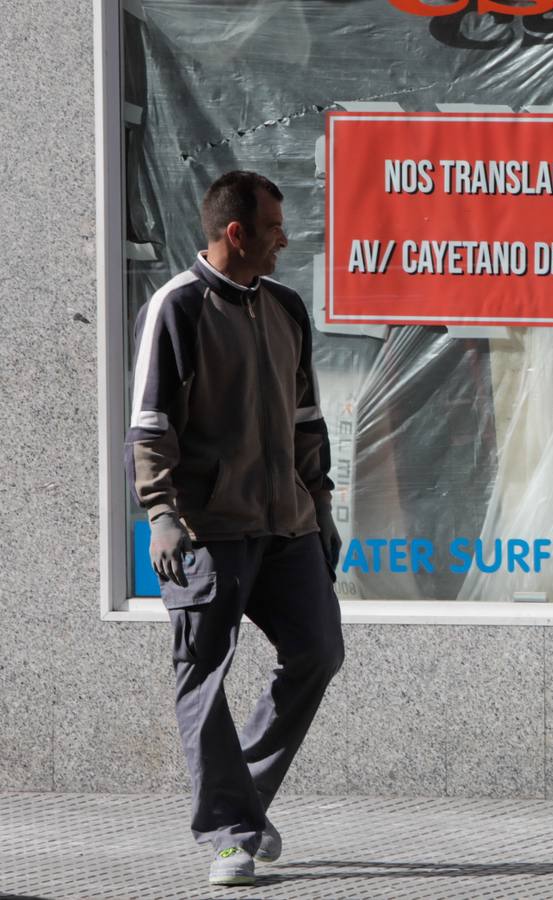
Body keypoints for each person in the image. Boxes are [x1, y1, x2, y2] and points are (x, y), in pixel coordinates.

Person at [125, 170, 345, 887]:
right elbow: (150, 426)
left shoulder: (285, 307)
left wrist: (323, 509)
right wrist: (161, 514)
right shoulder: (177, 307)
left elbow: (306, 420)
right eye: (275, 226)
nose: (286, 237)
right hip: (207, 528)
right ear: (236, 232)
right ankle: (227, 832)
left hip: (287, 525)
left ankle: (240, 798)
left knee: (317, 652)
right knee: (200, 673)